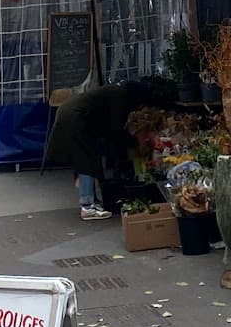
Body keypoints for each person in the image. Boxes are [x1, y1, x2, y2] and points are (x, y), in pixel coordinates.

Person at [47, 77, 175, 220]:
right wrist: (131, 145)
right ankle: (88, 206)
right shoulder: (120, 97)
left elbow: (111, 129)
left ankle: (91, 202)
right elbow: (116, 129)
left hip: (72, 113)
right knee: (86, 161)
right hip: (76, 118)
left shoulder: (115, 92)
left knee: (86, 158)